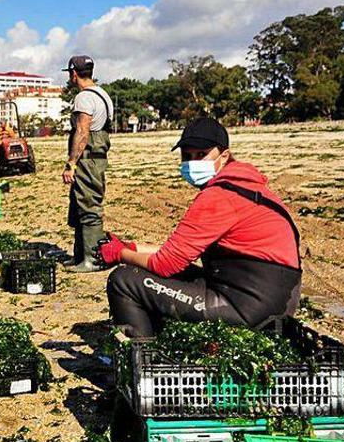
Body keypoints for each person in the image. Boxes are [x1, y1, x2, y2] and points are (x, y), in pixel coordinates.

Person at [99, 118, 301, 337]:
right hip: (272, 301)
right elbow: (177, 252)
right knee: (165, 272)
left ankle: (145, 358)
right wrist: (133, 247)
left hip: (248, 307)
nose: (192, 162)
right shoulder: (246, 187)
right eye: (187, 156)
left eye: (201, 154)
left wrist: (120, 254)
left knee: (125, 280)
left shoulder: (218, 197)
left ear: (224, 156)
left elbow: (165, 264)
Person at [61, 55, 114, 273]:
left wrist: (72, 163)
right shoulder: (103, 95)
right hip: (96, 156)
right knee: (80, 203)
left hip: (87, 158)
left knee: (89, 205)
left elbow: (83, 131)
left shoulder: (83, 98)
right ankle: (80, 256)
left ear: (74, 74)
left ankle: (92, 260)